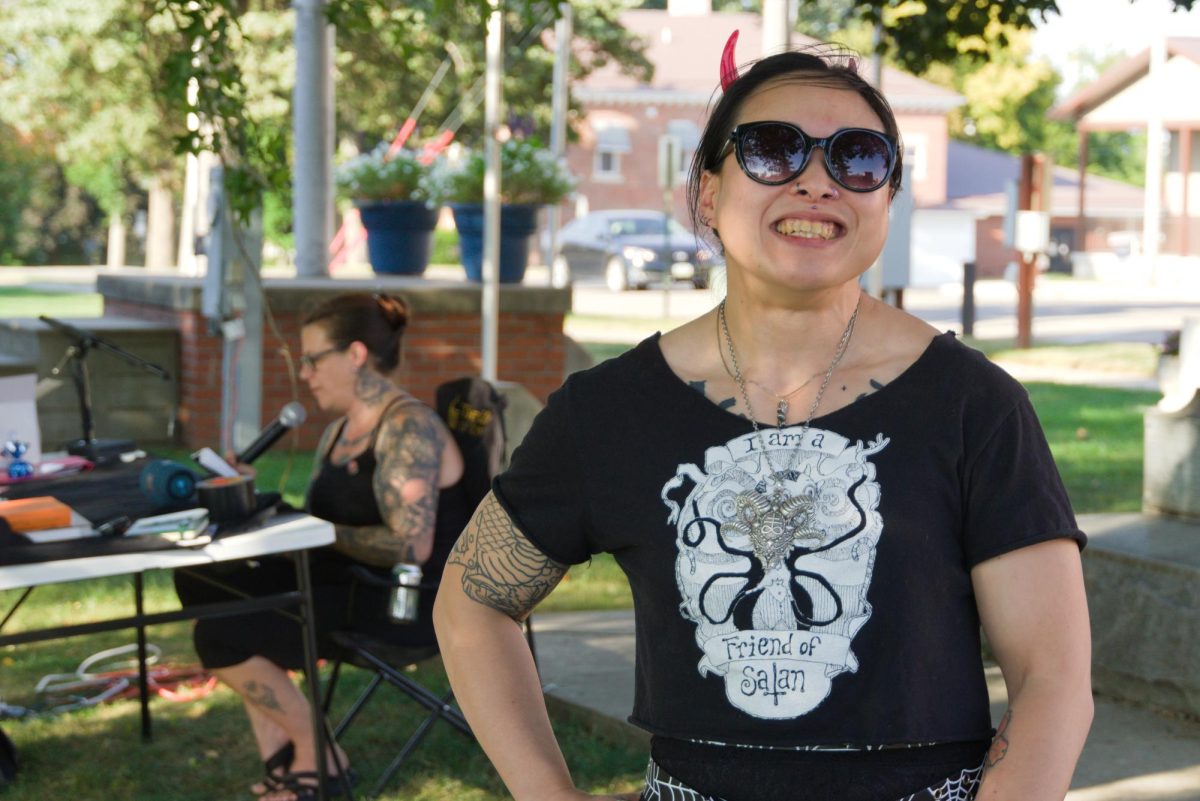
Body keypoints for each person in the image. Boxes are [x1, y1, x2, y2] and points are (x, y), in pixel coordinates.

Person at [433, 36, 1093, 801]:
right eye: (774, 150)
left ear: (886, 199)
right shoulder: (609, 411)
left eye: (859, 158)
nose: (817, 181)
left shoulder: (973, 405)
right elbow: (473, 599)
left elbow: (1053, 678)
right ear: (708, 193)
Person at [175, 292, 468, 801]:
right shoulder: (337, 432)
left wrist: (307, 533)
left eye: (312, 359)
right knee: (203, 579)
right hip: (344, 584)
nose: (304, 373)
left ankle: (318, 759)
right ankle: (291, 758)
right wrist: (255, 502)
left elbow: (409, 546)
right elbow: (329, 525)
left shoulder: (407, 427)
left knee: (223, 632)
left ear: (355, 355)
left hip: (404, 603)